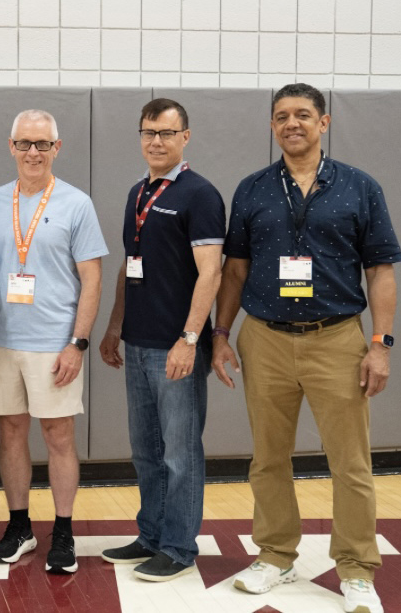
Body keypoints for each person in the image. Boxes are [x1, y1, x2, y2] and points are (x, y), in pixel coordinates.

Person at [213, 83, 400, 613]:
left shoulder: (360, 188)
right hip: (265, 338)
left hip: (337, 339)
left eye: (302, 115)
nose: (291, 123)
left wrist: (380, 346)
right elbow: (235, 271)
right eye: (280, 116)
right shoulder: (252, 189)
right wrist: (221, 335)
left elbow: (380, 271)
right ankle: (275, 554)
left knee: (350, 463)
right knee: (268, 459)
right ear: (272, 126)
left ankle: (357, 568)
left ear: (325, 122)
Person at [0, 109, 106, 574]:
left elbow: (92, 279)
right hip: (2, 339)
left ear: (57, 148)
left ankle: (64, 531)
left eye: (42, 144)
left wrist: (79, 342)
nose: (33, 152)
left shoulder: (76, 203)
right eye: (24, 144)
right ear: (10, 147)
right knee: (10, 432)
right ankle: (19, 526)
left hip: (55, 344)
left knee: (58, 435)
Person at [98, 99, 225, 581]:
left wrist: (190, 339)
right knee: (147, 450)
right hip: (137, 343)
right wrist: (114, 327)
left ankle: (177, 545)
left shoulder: (200, 194)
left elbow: (210, 272)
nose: (156, 141)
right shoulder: (137, 192)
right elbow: (130, 269)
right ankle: (150, 534)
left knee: (179, 452)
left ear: (185, 137)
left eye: (167, 133)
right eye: (149, 131)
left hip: (177, 346)